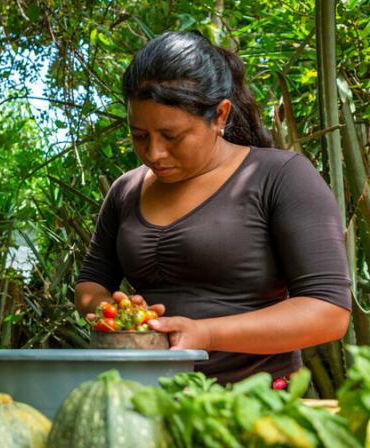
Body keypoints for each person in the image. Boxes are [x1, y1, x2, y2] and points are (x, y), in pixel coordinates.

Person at [75, 31, 351, 385]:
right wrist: (114, 311)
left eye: (172, 136)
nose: (154, 153)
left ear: (220, 115)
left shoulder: (281, 176)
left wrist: (205, 334)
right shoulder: (125, 190)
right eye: (139, 135)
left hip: (256, 405)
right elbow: (90, 284)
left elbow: (328, 312)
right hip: (141, 401)